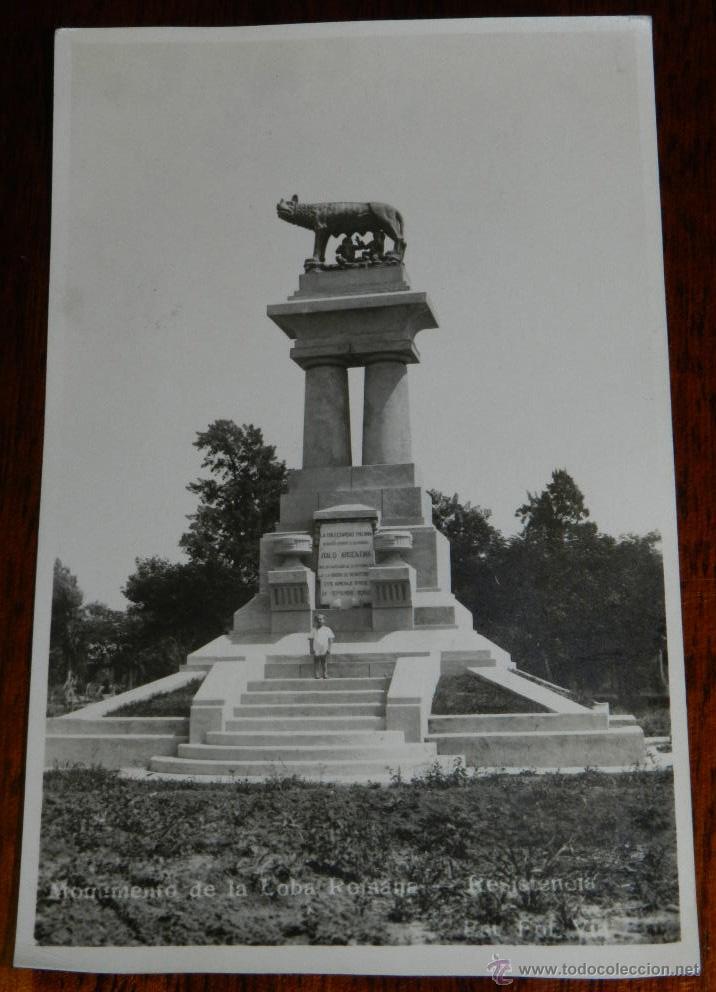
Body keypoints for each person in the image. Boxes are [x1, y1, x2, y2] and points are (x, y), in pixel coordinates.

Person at [309, 613, 335, 679]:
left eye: (321, 619)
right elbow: (311, 639)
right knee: (316, 661)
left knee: (324, 662)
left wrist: (329, 648)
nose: (319, 621)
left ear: (324, 620)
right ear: (315, 621)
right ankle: (317, 674)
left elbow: (330, 639)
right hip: (316, 648)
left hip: (324, 648)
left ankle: (325, 674)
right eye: (317, 619)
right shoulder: (313, 630)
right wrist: (311, 649)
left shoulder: (327, 629)